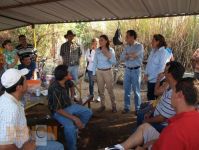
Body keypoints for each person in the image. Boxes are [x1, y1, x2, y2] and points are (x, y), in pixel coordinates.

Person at [106, 77, 199, 150]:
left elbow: (172, 138)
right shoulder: (192, 116)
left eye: (173, 92)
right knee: (145, 127)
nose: (171, 95)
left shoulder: (174, 130)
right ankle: (120, 147)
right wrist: (155, 142)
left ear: (180, 95)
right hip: (166, 140)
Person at [0, 68, 64, 150]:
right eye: (25, 81)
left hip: (23, 135)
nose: (27, 83)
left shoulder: (8, 97)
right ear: (19, 87)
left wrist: (29, 133)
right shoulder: (10, 109)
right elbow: (3, 146)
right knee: (59, 146)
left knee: (52, 136)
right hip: (21, 145)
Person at [48, 65, 92, 150]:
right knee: (70, 127)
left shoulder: (66, 81)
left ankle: (76, 130)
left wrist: (72, 97)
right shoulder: (54, 88)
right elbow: (58, 109)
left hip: (68, 105)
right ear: (64, 76)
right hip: (57, 111)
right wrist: (75, 118)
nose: (69, 72)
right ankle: (72, 147)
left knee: (88, 112)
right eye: (68, 72)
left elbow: (71, 86)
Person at [137, 61, 185, 133]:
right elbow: (159, 102)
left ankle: (141, 138)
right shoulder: (169, 85)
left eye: (165, 71)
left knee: (140, 123)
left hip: (162, 125)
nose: (163, 73)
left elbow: (161, 118)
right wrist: (150, 112)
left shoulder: (175, 94)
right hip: (157, 116)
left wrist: (147, 120)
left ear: (170, 75)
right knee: (141, 115)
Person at [120, 30, 144, 113]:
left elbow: (134, 55)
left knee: (136, 91)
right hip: (127, 70)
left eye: (127, 36)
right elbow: (122, 58)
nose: (126, 38)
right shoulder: (126, 47)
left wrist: (128, 55)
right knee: (126, 90)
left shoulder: (139, 46)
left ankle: (138, 109)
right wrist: (130, 56)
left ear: (132, 37)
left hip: (136, 70)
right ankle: (127, 108)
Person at [92, 34, 117, 113]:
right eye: (99, 40)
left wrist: (107, 54)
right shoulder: (97, 50)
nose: (100, 41)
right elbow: (95, 62)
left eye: (102, 40)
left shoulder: (111, 50)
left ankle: (114, 106)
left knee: (110, 90)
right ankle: (102, 106)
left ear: (106, 41)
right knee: (101, 90)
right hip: (99, 72)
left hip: (108, 71)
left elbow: (114, 62)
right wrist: (93, 73)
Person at [144, 34, 169, 101]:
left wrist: (149, 78)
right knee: (150, 99)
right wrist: (145, 74)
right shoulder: (153, 51)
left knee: (157, 101)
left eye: (153, 40)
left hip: (158, 81)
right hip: (150, 80)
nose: (151, 42)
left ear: (158, 42)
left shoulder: (164, 53)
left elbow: (161, 70)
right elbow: (148, 64)